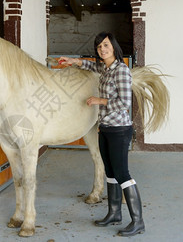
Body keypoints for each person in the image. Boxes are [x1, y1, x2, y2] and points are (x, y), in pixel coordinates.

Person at [58, 32, 145, 237]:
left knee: (123, 174)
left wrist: (99, 101)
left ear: (113, 46)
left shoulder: (121, 71)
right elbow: (89, 65)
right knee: (110, 173)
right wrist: (72, 61)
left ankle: (138, 221)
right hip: (105, 128)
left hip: (119, 130)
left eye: (105, 45)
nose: (102, 49)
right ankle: (114, 213)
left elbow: (125, 103)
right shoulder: (104, 68)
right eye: (99, 47)